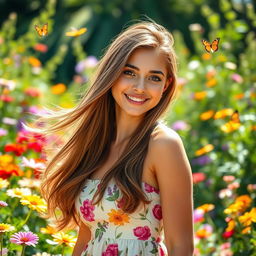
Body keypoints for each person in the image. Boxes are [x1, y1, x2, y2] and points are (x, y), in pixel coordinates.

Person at [25, 19, 194, 256]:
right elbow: (86, 238)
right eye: (129, 73)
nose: (140, 87)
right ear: (112, 74)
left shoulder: (163, 145)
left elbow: (182, 247)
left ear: (166, 85)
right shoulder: (95, 142)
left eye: (154, 77)